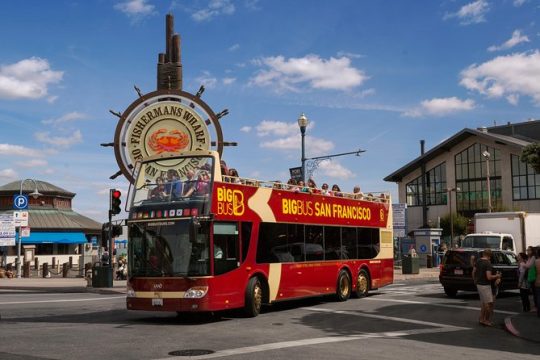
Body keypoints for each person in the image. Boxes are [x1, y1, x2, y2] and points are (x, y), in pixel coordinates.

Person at [473, 248, 502, 326]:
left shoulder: (478, 261)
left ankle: (481, 319)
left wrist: (475, 280)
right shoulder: (488, 263)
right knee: (488, 304)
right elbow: (488, 277)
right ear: (489, 255)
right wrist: (497, 276)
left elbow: (474, 271)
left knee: (484, 303)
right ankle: (486, 320)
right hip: (485, 285)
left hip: (479, 284)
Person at [524, 246, 537, 311]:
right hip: (531, 276)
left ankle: (536, 306)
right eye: (527, 250)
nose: (527, 251)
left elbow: (529, 266)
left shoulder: (533, 257)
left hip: (534, 276)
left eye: (529, 250)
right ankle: (535, 306)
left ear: (532, 251)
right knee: (534, 292)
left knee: (535, 292)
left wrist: (523, 264)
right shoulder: (529, 258)